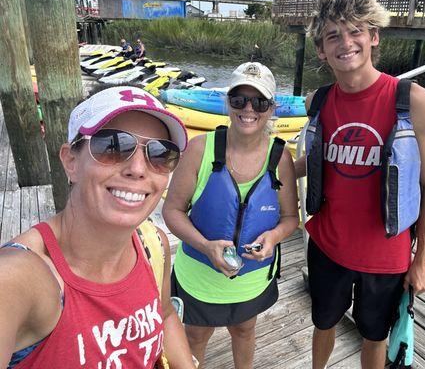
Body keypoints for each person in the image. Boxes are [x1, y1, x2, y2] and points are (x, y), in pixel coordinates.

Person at [293, 0, 425, 369]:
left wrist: (423, 259)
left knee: (374, 335)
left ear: (373, 36)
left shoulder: (413, 102)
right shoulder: (318, 102)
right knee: (322, 322)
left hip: (387, 255)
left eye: (355, 30)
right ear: (322, 52)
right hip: (327, 245)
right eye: (332, 36)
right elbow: (315, 161)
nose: (346, 42)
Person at [0, 86, 197, 368]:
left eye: (160, 154)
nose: (139, 168)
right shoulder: (20, 277)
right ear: (70, 161)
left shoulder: (152, 244)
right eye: (113, 146)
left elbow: (164, 314)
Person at [162, 62, 299, 368]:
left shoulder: (281, 158)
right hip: (198, 278)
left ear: (271, 107)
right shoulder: (200, 149)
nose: (249, 108)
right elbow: (171, 211)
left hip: (251, 279)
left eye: (260, 101)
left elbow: (291, 218)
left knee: (244, 329)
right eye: (239, 100)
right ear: (228, 102)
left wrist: (274, 236)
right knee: (196, 335)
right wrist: (205, 246)